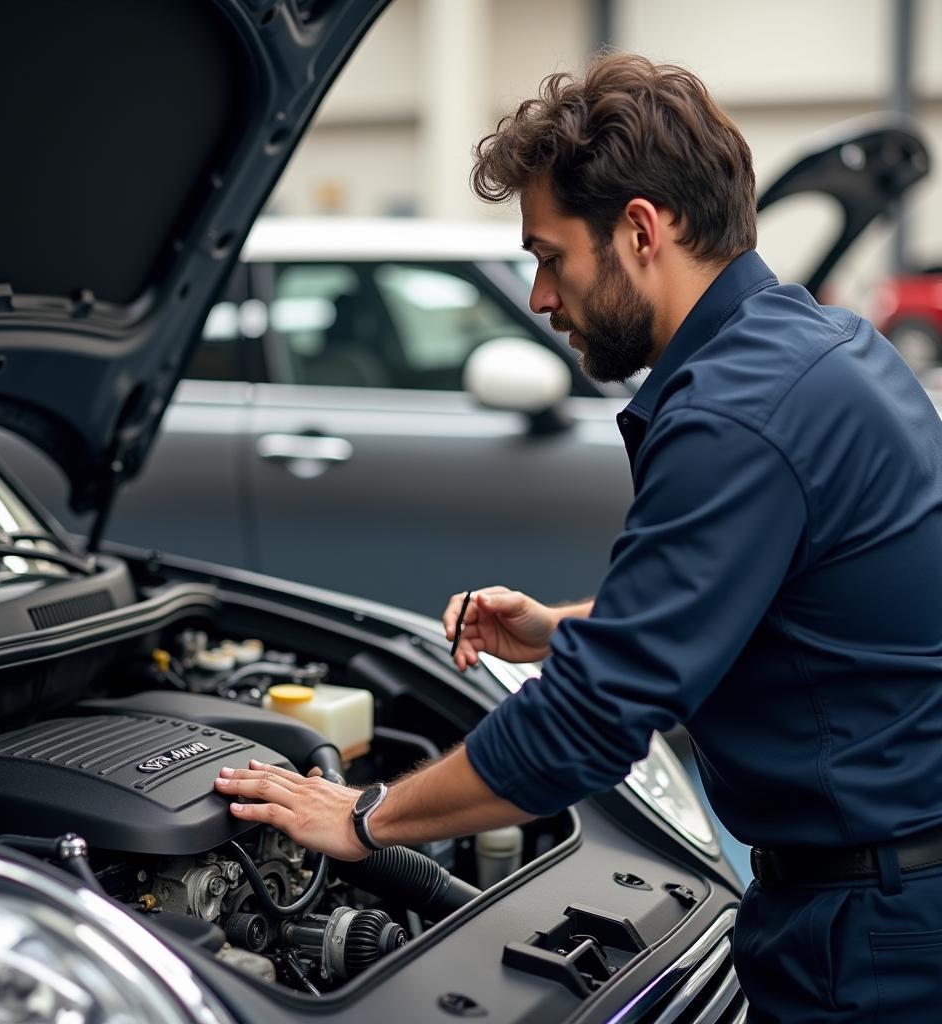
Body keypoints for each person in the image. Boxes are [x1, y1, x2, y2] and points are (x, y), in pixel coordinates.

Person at [214, 52, 942, 1021]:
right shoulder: (829, 348)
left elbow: (587, 726)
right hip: (882, 886)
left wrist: (364, 817)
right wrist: (564, 629)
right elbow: (775, 605)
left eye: (549, 256)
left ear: (640, 229)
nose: (541, 299)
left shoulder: (734, 414)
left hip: (870, 936)